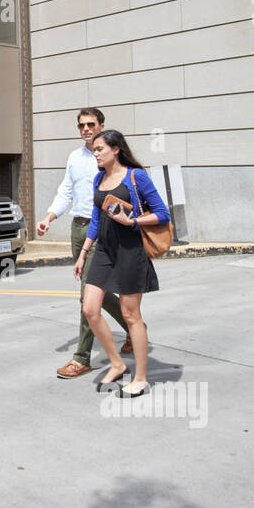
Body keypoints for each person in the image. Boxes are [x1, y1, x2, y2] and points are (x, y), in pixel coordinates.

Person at [36, 108, 134, 379]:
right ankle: (134, 325)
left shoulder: (108, 155)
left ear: (102, 125)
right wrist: (49, 216)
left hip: (102, 229)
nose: (86, 129)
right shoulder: (75, 157)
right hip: (78, 228)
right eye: (82, 125)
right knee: (96, 292)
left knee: (86, 295)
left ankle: (82, 357)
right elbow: (66, 190)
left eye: (91, 124)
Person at [76, 130, 170, 398]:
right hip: (104, 250)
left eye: (99, 149)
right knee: (90, 309)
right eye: (93, 150)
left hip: (130, 250)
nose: (95, 154)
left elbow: (162, 213)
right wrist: (84, 253)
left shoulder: (135, 176)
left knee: (131, 316)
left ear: (116, 149)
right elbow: (96, 218)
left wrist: (134, 221)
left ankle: (140, 377)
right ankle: (116, 363)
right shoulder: (99, 177)